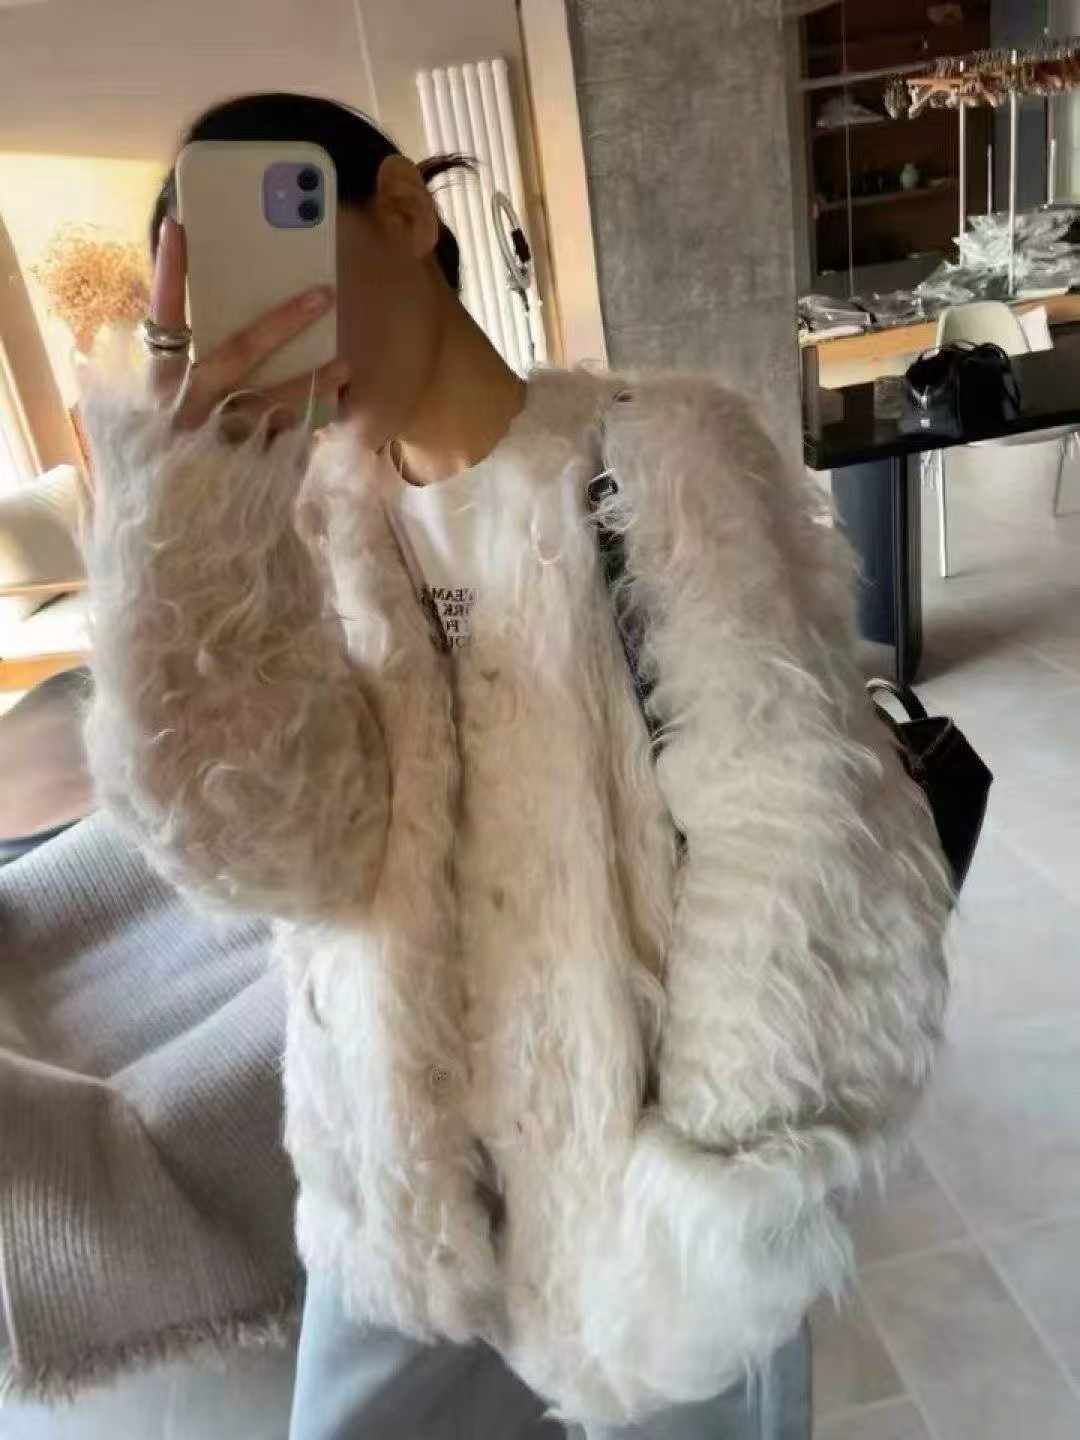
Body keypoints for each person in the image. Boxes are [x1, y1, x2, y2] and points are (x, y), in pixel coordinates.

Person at [81, 94, 952, 1440]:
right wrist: (180, 538)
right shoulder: (301, 533)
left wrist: (713, 1180)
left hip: (645, 1181)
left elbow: (794, 826)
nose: (271, 323)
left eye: (287, 259)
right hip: (400, 1173)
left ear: (403, 213)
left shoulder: (649, 455)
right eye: (220, 312)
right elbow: (280, 854)